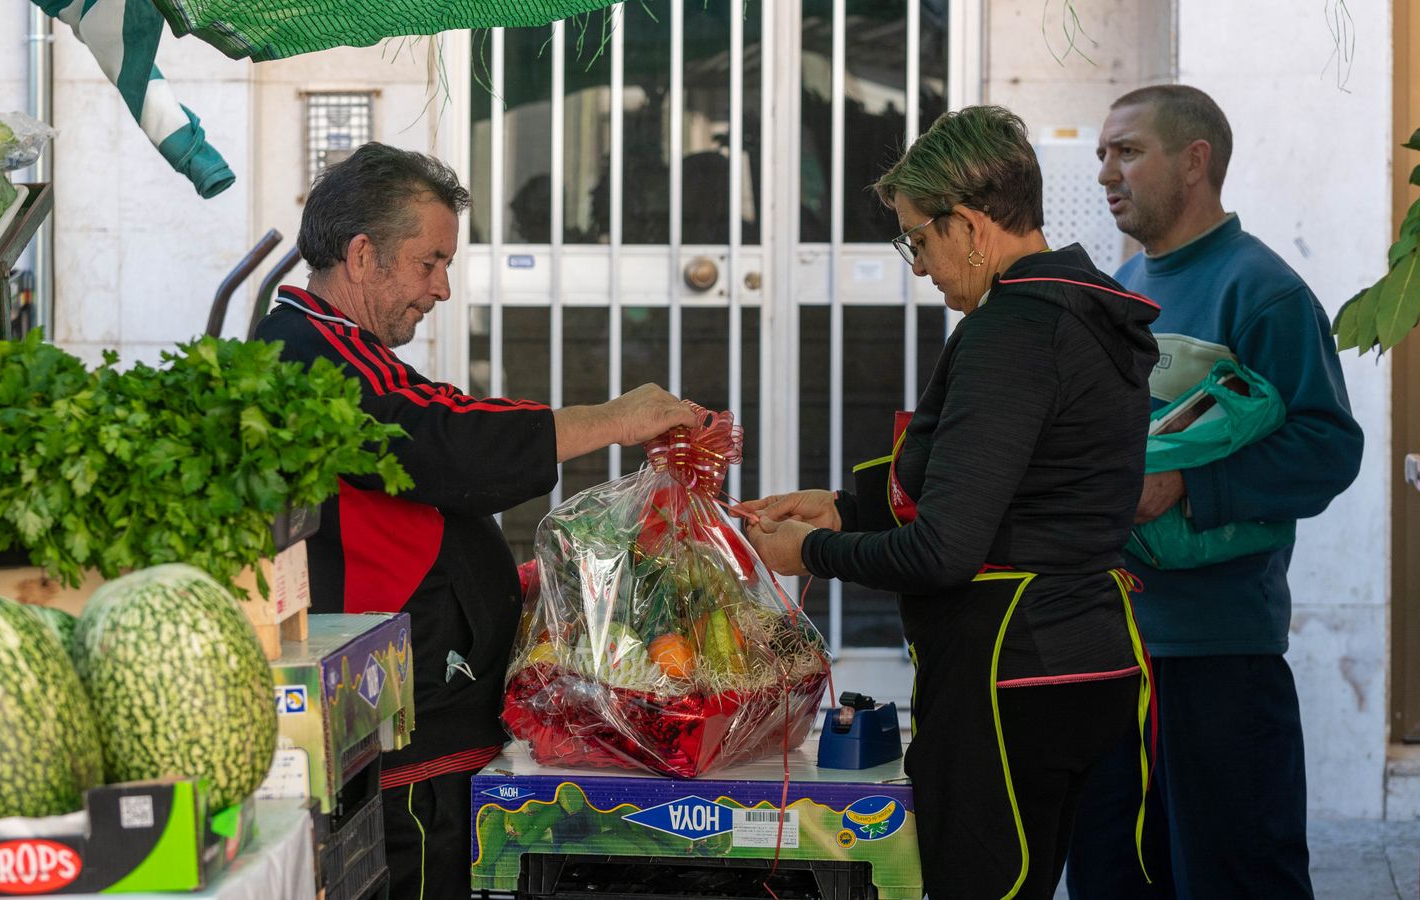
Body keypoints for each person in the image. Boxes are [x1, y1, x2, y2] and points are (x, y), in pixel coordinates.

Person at [253, 142, 696, 900]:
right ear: (362, 256)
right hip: (406, 738)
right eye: (429, 263)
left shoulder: (338, 344)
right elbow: (444, 443)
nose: (443, 289)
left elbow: (434, 445)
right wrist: (613, 419)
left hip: (435, 713)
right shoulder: (308, 356)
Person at [738, 105, 1160, 899]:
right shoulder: (1089, 307)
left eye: (919, 239)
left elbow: (944, 551)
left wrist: (811, 554)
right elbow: (1019, 486)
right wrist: (842, 508)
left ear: (968, 226)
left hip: (1011, 674)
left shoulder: (1017, 327)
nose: (921, 265)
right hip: (1095, 658)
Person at [1065, 85, 1363, 900]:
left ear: (1196, 161)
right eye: (1100, 154)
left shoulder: (1261, 289)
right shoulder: (1123, 283)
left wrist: (1187, 484)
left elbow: (1329, 448)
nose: (1105, 173)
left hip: (1217, 660)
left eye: (1127, 150)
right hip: (1114, 647)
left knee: (1234, 879)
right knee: (1116, 877)